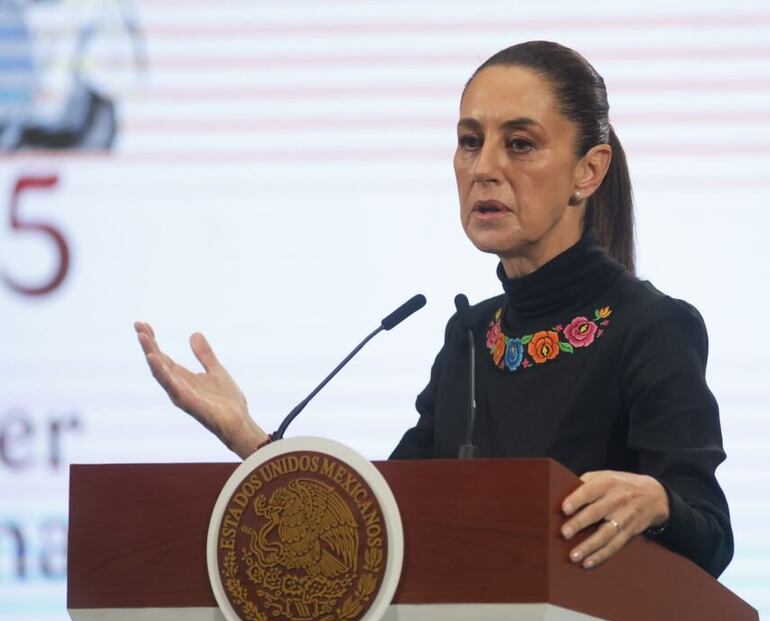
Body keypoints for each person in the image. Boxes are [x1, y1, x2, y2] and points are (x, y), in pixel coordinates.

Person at [135, 41, 733, 578]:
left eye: (519, 145)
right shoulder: (470, 337)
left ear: (588, 170)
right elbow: (382, 516)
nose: (484, 169)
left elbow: (711, 536)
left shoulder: (651, 327)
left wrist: (658, 503)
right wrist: (251, 440)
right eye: (470, 142)